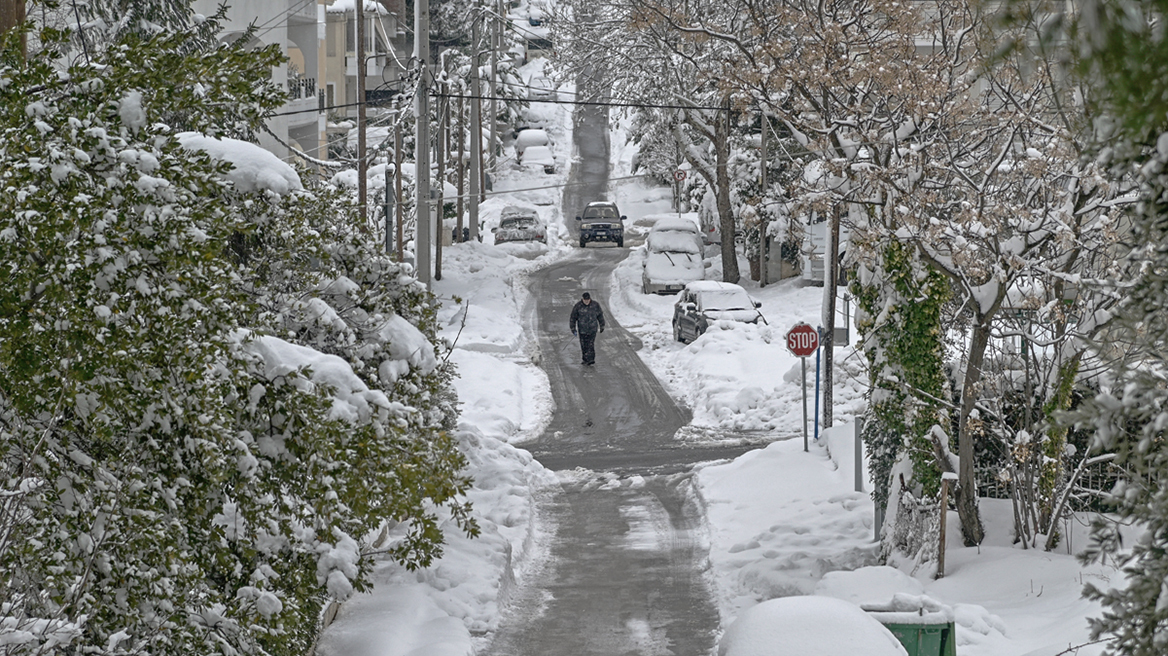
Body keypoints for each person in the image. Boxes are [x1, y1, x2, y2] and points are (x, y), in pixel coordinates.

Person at [569, 292, 605, 365]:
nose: (586, 301)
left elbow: (600, 316)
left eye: (588, 300)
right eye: (585, 300)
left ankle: (591, 359)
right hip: (582, 330)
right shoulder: (578, 306)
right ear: (582, 299)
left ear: (590, 299)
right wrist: (573, 328)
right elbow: (573, 318)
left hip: (592, 329)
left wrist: (602, 325)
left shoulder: (595, 305)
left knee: (590, 345)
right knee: (584, 345)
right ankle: (585, 359)